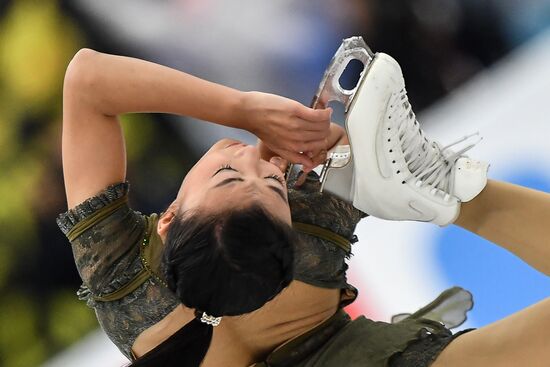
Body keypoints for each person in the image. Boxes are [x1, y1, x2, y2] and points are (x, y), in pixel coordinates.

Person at [56, 45, 550, 367]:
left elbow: (87, 81)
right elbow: (86, 79)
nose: (250, 155)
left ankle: (438, 186)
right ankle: (441, 185)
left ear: (167, 220)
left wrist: (258, 119)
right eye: (269, 185)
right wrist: (246, 110)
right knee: (406, 182)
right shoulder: (310, 233)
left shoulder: (133, 289)